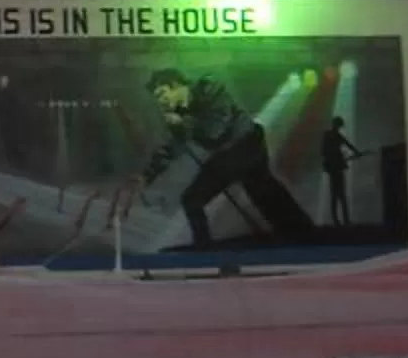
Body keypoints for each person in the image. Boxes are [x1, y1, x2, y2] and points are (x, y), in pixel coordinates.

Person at [134, 68, 316, 248]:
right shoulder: (180, 112)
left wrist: (184, 122)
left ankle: (204, 249)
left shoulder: (209, 88)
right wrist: (147, 176)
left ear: (175, 85)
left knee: (193, 200)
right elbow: (174, 146)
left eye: (162, 93)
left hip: (244, 145)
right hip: (236, 150)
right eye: (157, 97)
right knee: (264, 191)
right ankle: (302, 231)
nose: (161, 101)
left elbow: (216, 131)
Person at [319, 116, 362, 226]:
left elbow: (346, 144)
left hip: (334, 167)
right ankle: (341, 220)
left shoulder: (331, 135)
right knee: (339, 195)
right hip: (335, 167)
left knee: (338, 195)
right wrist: (356, 152)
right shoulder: (331, 135)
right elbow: (325, 151)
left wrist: (356, 152)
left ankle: (340, 220)